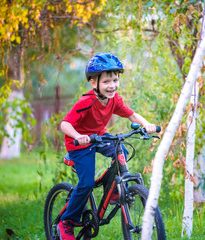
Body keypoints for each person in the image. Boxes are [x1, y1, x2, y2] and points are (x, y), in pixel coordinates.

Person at [58, 52, 156, 240]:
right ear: (94, 83)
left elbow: (131, 114)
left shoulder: (114, 99)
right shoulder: (86, 101)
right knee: (86, 183)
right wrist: (79, 136)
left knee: (122, 150)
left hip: (99, 135)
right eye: (106, 82)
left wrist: (147, 124)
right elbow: (64, 124)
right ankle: (67, 221)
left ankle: (111, 191)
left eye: (115, 80)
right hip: (79, 143)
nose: (112, 86)